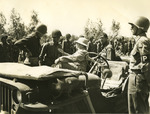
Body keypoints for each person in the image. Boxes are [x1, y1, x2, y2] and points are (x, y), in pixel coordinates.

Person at [127, 16, 150, 114]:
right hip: (135, 78)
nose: (131, 28)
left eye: (133, 26)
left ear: (140, 28)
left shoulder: (142, 41)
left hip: (138, 80)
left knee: (138, 109)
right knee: (135, 108)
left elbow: (146, 64)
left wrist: (148, 83)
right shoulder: (139, 40)